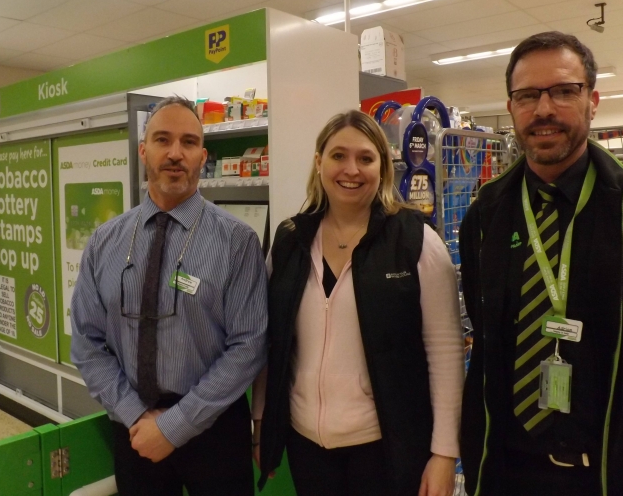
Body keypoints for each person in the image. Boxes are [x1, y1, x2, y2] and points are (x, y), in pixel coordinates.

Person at [459, 31, 623, 496]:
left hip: (622, 472)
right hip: (507, 471)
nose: (545, 108)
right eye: (528, 95)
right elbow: (488, 324)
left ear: (593, 101)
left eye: (564, 91)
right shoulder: (487, 212)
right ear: (511, 107)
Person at [252, 110, 464, 496]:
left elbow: (445, 351)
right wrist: (261, 419)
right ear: (319, 163)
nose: (351, 169)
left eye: (366, 158)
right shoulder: (289, 240)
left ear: (382, 167)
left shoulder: (415, 241)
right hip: (306, 445)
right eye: (338, 156)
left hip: (386, 447)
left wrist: (445, 453)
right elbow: (272, 342)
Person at [70, 96, 267, 496]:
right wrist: (136, 416)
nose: (176, 153)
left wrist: (174, 426)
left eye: (189, 142)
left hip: (215, 429)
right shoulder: (104, 242)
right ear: (144, 151)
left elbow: (249, 344)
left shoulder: (237, 241)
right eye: (163, 140)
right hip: (135, 429)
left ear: (202, 156)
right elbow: (87, 342)